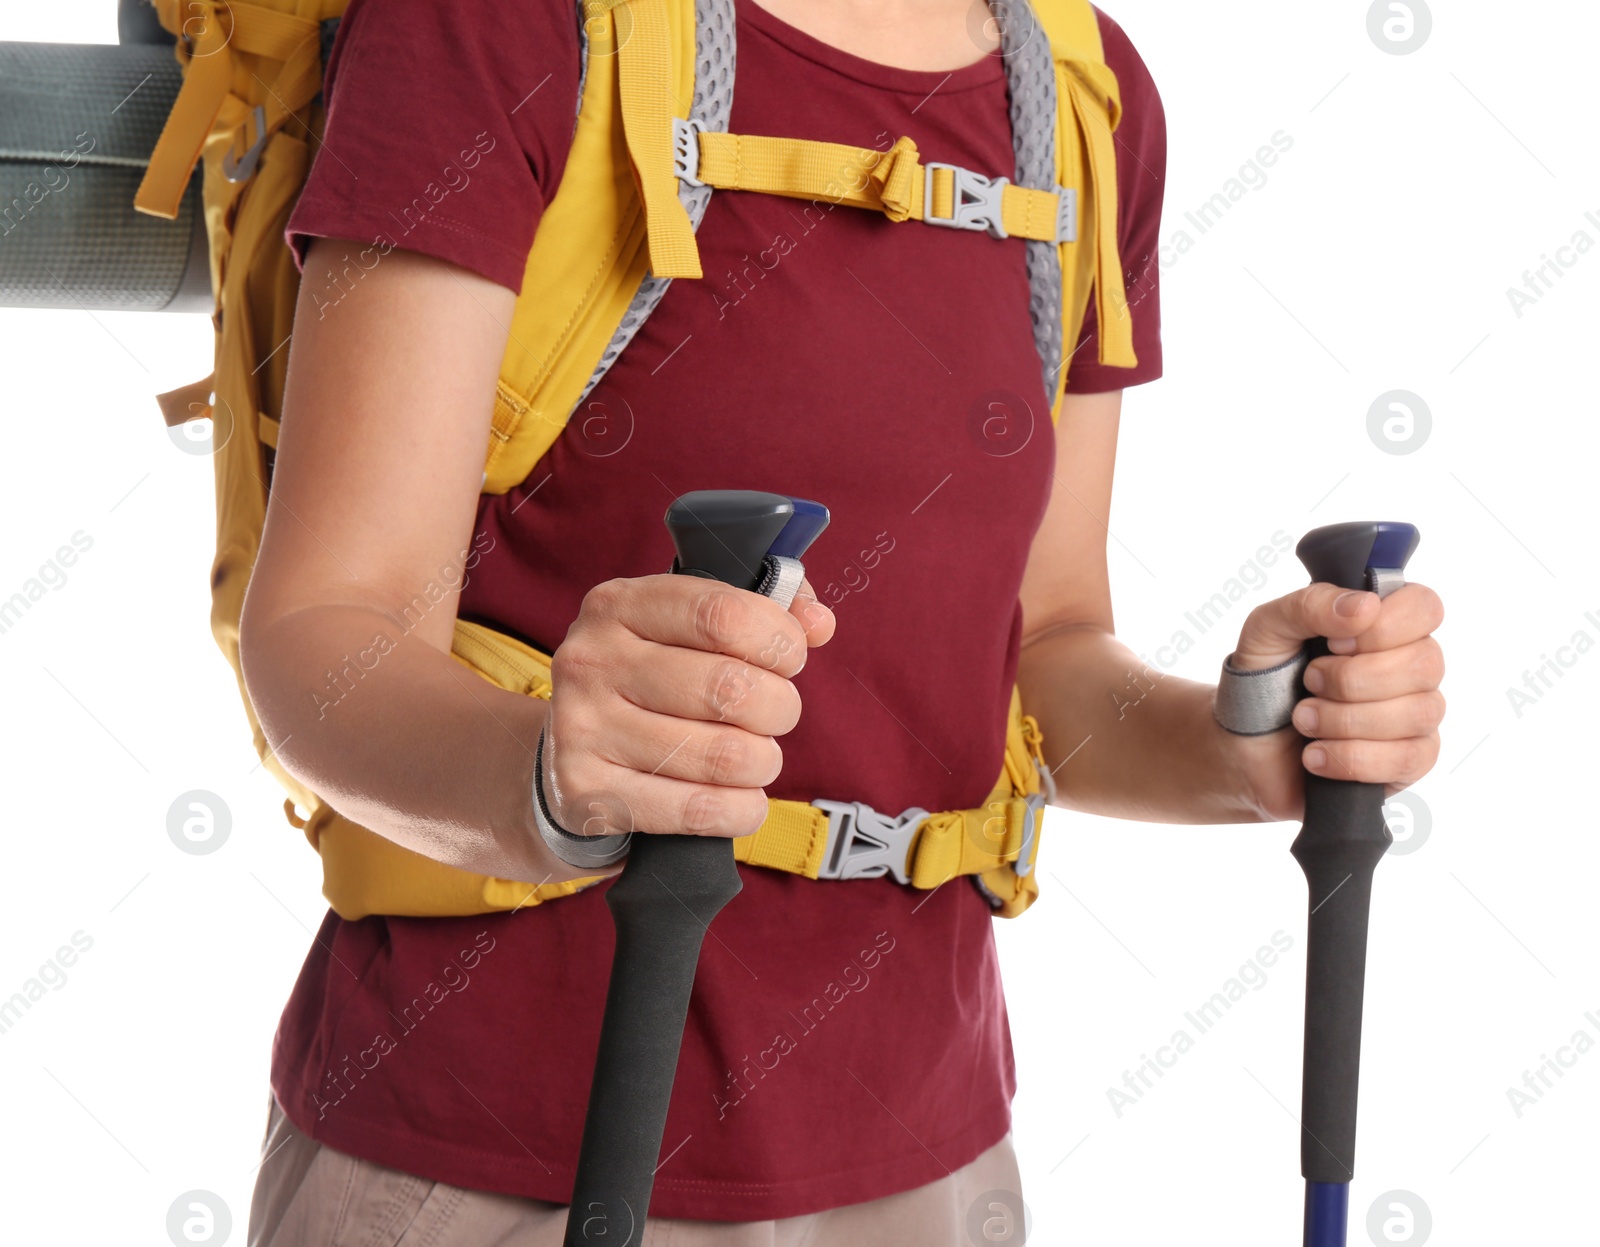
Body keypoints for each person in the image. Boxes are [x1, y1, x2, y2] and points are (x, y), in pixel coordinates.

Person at [237, 0, 1447, 1242]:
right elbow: (331, 622)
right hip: (496, 1148)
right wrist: (551, 772)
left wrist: (1236, 746)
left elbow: (1043, 642)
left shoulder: (1080, 92)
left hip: (931, 1162)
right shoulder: (497, 23)